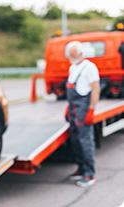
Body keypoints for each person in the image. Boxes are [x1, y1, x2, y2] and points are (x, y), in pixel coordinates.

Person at [64, 41, 100, 187]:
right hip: (74, 107)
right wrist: (68, 107)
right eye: (70, 54)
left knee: (85, 141)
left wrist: (91, 109)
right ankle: (81, 168)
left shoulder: (90, 67)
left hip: (84, 107)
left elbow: (95, 89)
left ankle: (89, 174)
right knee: (75, 139)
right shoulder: (73, 67)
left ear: (81, 52)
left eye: (75, 53)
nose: (73, 56)